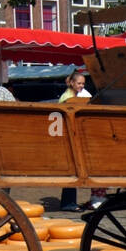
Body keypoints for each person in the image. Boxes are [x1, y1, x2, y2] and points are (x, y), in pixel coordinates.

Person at [56, 71, 92, 211]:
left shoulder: (74, 96)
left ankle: (69, 202)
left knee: (73, 172)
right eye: (79, 83)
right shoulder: (68, 98)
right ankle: (68, 204)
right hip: (69, 137)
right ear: (72, 83)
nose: (81, 86)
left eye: (83, 83)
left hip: (72, 136)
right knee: (72, 171)